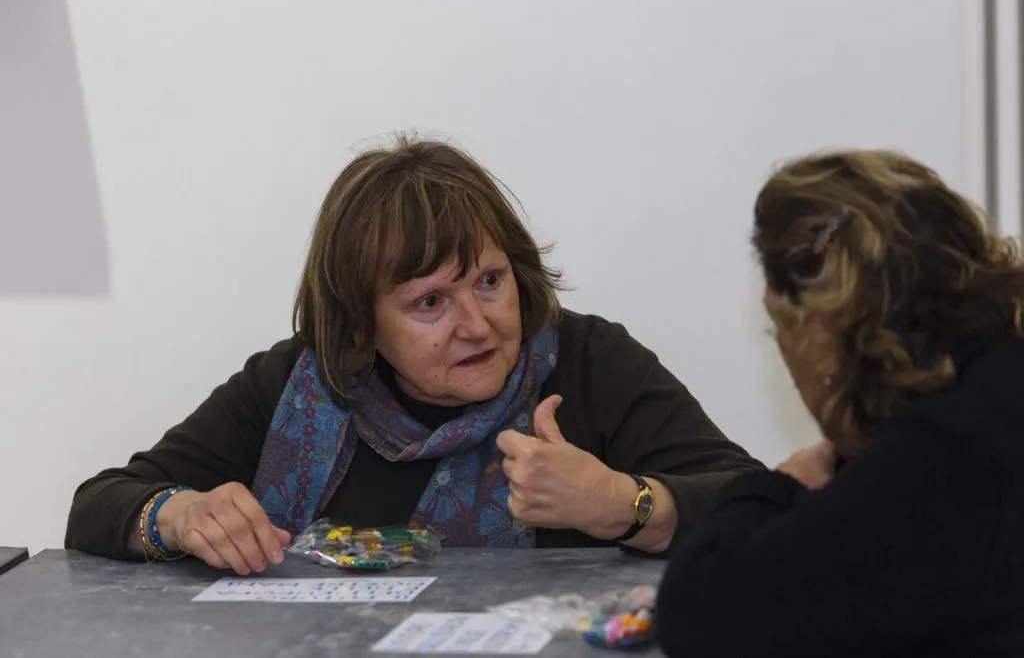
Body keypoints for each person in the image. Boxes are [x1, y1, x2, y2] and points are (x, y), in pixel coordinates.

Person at [65, 136, 760, 575]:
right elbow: (99, 505)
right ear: (362, 324)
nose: (476, 323)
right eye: (430, 302)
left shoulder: (585, 362)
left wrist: (624, 502)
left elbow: (755, 504)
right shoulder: (301, 386)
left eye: (489, 281)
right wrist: (178, 515)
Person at [656, 149, 1024, 658]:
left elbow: (702, 615)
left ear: (819, 331)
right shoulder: (992, 388)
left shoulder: (943, 452)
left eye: (777, 327)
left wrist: (783, 485)